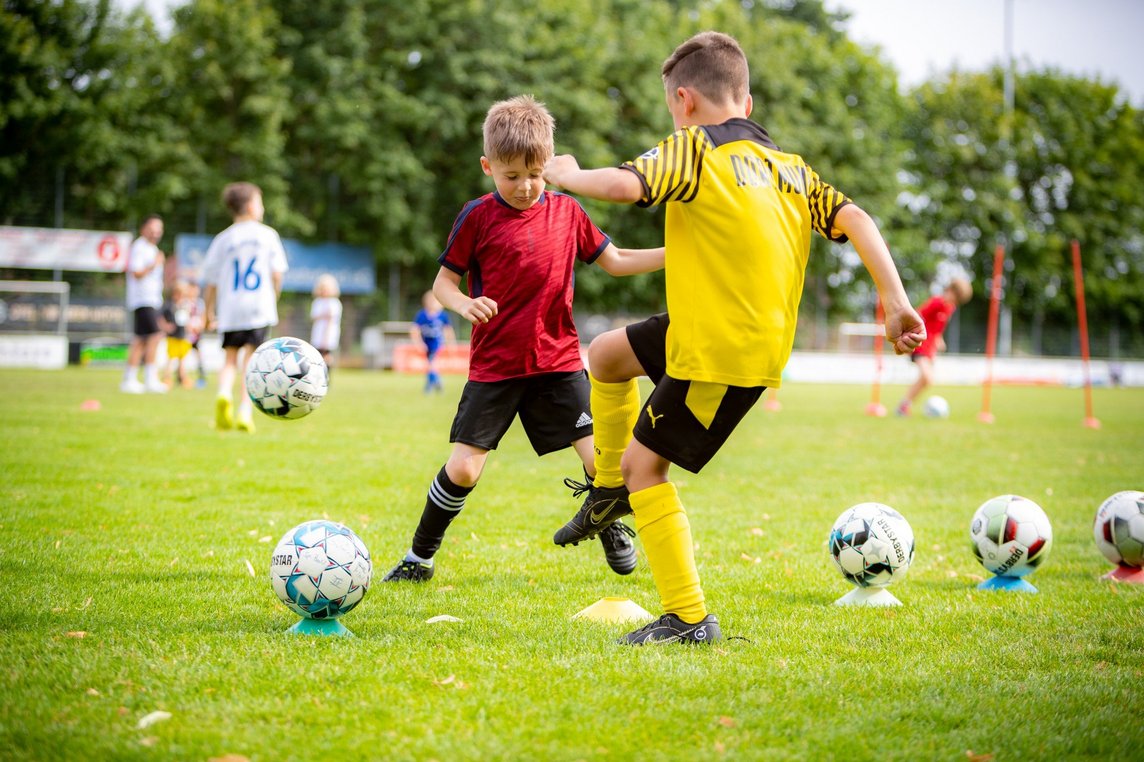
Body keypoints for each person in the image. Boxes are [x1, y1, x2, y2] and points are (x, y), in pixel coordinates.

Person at [543, 31, 926, 645]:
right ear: (747, 102)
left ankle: (688, 617)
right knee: (607, 356)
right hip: (714, 329)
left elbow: (623, 186)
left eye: (673, 106)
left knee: (649, 470)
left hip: (722, 352)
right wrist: (896, 300)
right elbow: (856, 217)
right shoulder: (792, 169)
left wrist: (568, 173)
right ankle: (607, 490)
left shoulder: (694, 150)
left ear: (685, 100)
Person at [382, 95, 665, 584]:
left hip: (557, 363)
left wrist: (677, 253)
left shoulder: (568, 212)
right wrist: (464, 304)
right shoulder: (476, 217)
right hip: (495, 368)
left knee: (602, 461)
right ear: (488, 166)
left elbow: (616, 261)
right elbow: (443, 285)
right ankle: (418, 558)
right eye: (511, 176)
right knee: (466, 470)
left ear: (550, 165)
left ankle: (608, 524)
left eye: (535, 174)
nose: (525, 186)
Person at [201, 182, 289, 433]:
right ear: (251, 206)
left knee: (229, 358)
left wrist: (208, 312)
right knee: (252, 361)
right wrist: (274, 296)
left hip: (230, 308)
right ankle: (244, 411)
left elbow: (211, 281)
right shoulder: (267, 235)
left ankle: (223, 393)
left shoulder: (223, 238)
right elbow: (277, 274)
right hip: (259, 307)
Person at [895, 278, 972, 417]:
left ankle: (904, 406)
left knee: (928, 380)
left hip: (930, 348)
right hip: (920, 345)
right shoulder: (937, 302)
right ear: (949, 290)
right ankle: (903, 407)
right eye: (955, 298)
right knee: (926, 376)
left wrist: (938, 339)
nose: (955, 302)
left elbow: (938, 326)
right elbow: (918, 316)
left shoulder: (950, 307)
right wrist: (909, 337)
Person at [121, 215, 168, 394]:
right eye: (153, 228)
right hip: (143, 299)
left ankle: (134, 378)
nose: (156, 232)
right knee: (152, 337)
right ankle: (145, 378)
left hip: (152, 300)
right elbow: (137, 273)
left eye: (159, 229)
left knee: (143, 339)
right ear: (143, 229)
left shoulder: (151, 248)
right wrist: (154, 264)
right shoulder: (140, 247)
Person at [410, 290, 455, 393]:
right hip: (426, 344)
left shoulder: (443, 316)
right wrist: (418, 343)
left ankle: (432, 386)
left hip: (437, 344)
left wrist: (451, 343)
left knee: (432, 364)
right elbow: (414, 330)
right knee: (430, 365)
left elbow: (448, 330)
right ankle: (434, 382)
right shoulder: (421, 315)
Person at [159, 280, 195, 388]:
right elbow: (160, 318)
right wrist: (166, 327)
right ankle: (167, 378)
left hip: (183, 336)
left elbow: (187, 319)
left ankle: (182, 378)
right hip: (173, 337)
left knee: (182, 359)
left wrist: (190, 328)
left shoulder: (185, 305)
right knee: (170, 358)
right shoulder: (169, 305)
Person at [310, 273, 343, 370]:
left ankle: (327, 375)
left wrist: (326, 337)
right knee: (317, 356)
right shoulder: (317, 302)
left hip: (329, 334)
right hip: (318, 333)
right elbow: (314, 317)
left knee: (327, 355)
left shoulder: (334, 303)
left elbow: (331, 319)